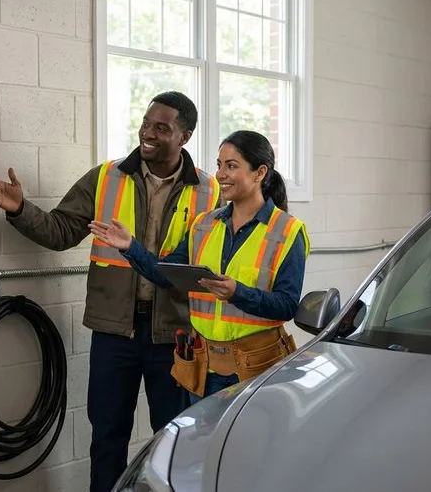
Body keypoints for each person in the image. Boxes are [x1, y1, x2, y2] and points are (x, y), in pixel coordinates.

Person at [0, 91, 221, 492]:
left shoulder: (209, 192)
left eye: (161, 128)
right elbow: (61, 231)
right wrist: (20, 209)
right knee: (107, 437)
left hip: (177, 335)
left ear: (185, 136)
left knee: (174, 439)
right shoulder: (107, 177)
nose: (148, 133)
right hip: (115, 333)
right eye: (145, 123)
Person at [89, 130, 309, 403]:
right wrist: (130, 247)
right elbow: (165, 273)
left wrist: (237, 293)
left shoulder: (288, 231)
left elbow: (287, 305)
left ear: (260, 173)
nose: (220, 175)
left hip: (257, 369)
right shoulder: (203, 225)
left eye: (231, 166)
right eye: (219, 165)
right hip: (204, 368)